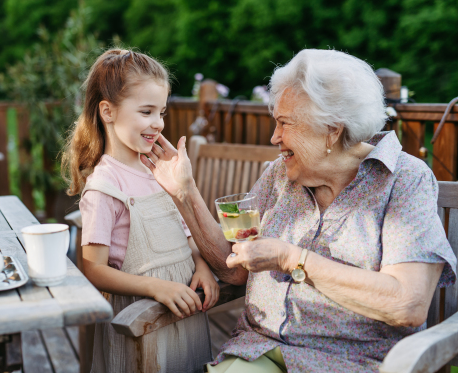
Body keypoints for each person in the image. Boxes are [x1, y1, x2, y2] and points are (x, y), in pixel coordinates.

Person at [140, 49, 457, 373]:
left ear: (331, 129)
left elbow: (408, 303)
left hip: (353, 363)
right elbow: (234, 267)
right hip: (259, 351)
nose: (274, 137)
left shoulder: (404, 180)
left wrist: (292, 259)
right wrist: (184, 191)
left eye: (284, 123)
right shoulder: (282, 174)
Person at [62, 49, 220, 373]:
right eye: (146, 111)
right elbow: (93, 269)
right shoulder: (104, 186)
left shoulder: (159, 171)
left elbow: (187, 232)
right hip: (140, 326)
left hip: (185, 316)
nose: (158, 124)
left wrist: (202, 266)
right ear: (108, 111)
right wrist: (155, 288)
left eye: (161, 112)